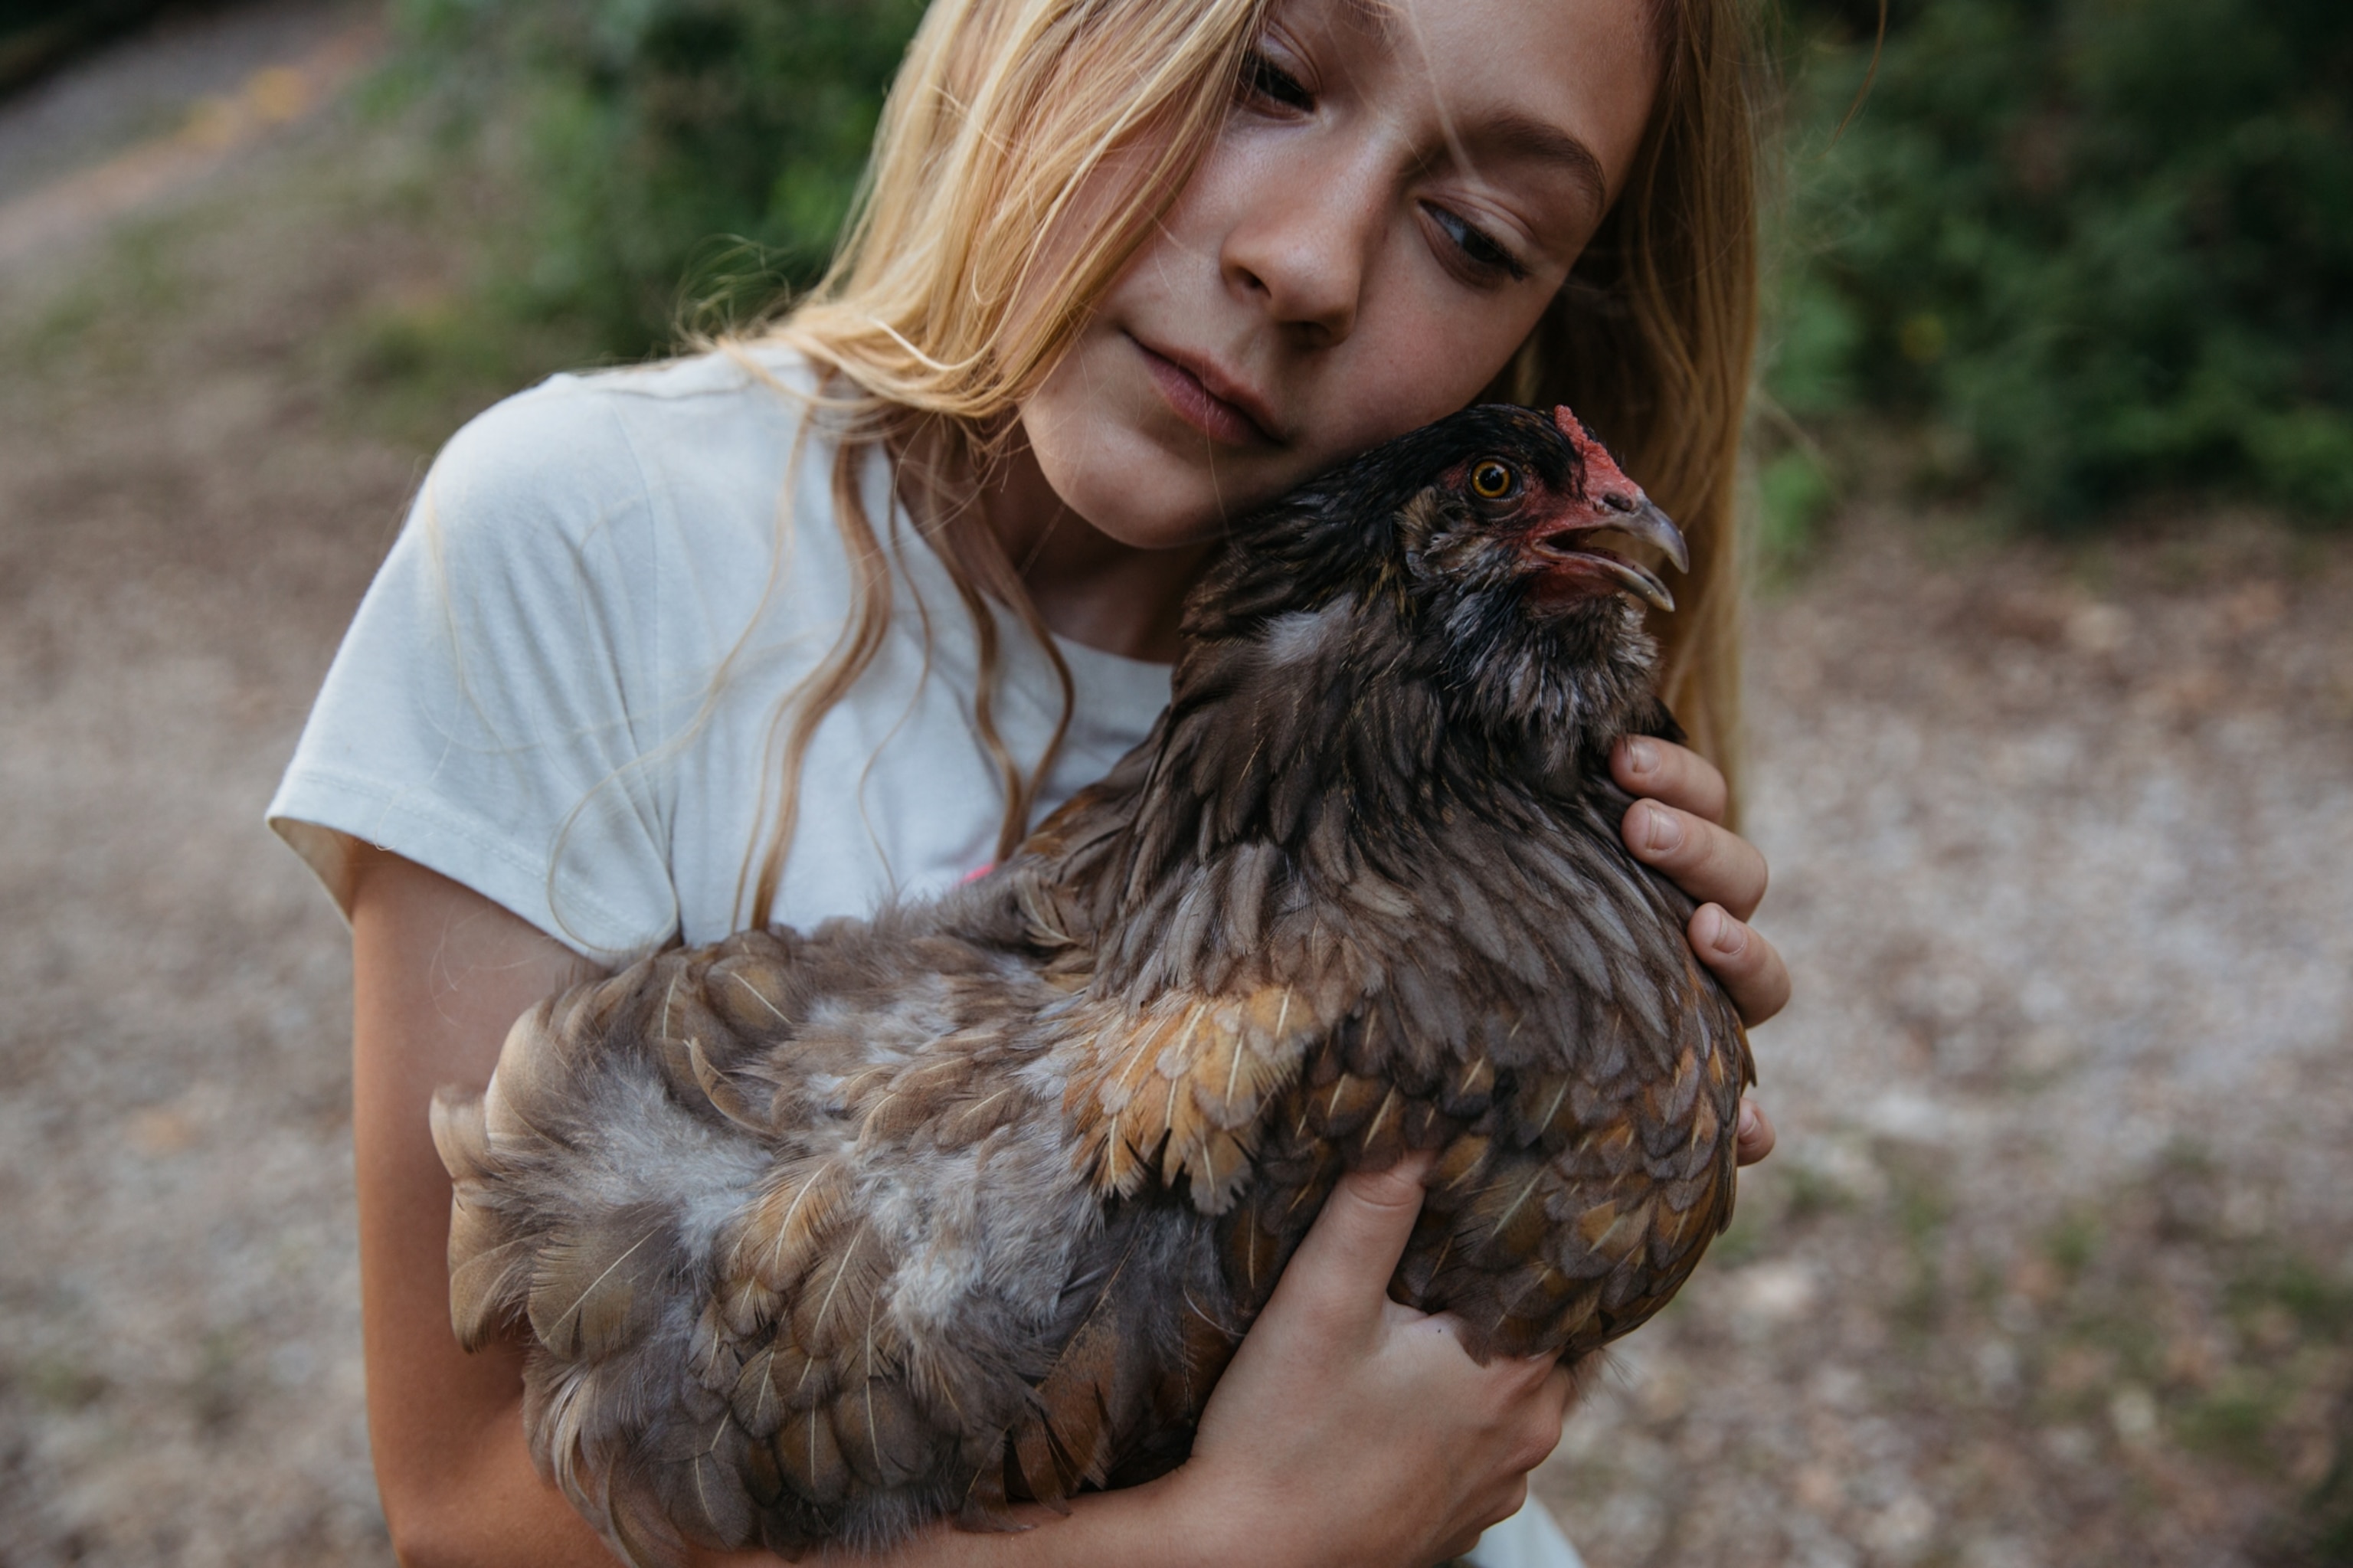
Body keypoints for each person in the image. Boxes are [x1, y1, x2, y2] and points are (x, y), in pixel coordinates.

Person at [269, 0, 1791, 1563]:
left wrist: (1622, 1029)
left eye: (1474, 234)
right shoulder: (590, 543)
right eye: (1268, 79)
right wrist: (1229, 1549)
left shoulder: (1471, 729)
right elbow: (466, 1512)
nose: (1311, 262)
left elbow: (1441, 1418)